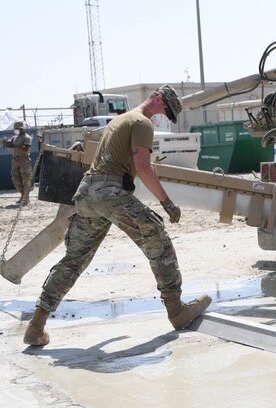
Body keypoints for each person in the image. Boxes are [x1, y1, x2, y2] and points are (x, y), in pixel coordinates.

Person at [23, 85, 212, 347]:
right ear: (158, 98)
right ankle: (176, 311)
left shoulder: (120, 120)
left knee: (74, 260)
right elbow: (143, 168)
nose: (162, 115)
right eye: (165, 109)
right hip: (109, 191)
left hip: (87, 193)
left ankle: (36, 325)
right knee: (157, 237)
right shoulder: (142, 123)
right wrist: (166, 202)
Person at [3, 121, 33, 206]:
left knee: (25, 179)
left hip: (24, 160)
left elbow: (25, 149)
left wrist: (14, 146)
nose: (16, 130)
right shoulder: (14, 137)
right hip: (15, 160)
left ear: (22, 129)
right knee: (15, 179)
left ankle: (26, 199)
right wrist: (5, 143)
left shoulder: (27, 137)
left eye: (18, 129)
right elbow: (8, 144)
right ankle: (22, 195)